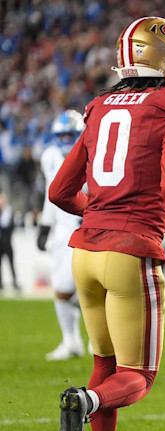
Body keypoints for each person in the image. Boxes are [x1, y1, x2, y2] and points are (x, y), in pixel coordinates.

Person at [49, 16, 165, 431]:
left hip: (86, 251)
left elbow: (59, 190)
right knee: (136, 375)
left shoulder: (98, 107)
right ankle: (85, 401)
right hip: (129, 252)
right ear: (164, 58)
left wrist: (98, 212)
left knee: (105, 361)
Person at [38, 110, 86, 360]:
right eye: (62, 135)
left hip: (85, 227)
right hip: (62, 228)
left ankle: (100, 331)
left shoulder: (93, 152)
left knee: (73, 288)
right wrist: (45, 225)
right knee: (61, 289)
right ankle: (71, 341)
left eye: (71, 134)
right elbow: (51, 193)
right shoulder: (49, 156)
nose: (66, 139)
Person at [0, 192, 18, 291]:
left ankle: (14, 282)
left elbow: (7, 224)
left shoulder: (8, 211)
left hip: (7, 242)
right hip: (0, 243)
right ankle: (0, 284)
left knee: (11, 263)